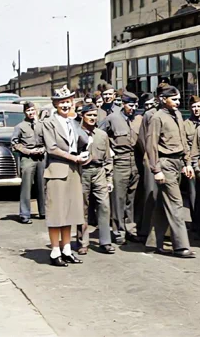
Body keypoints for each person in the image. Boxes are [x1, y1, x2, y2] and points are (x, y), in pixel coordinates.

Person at [145, 85, 196, 258]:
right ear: (162, 99)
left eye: (178, 99)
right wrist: (156, 169)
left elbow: (183, 139)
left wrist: (187, 162)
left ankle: (154, 241)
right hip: (165, 163)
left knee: (162, 203)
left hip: (178, 161)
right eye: (173, 99)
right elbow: (151, 145)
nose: (177, 102)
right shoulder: (157, 118)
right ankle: (181, 246)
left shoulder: (178, 114)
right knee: (175, 203)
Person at [40, 86, 86, 267]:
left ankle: (67, 250)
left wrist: (78, 122)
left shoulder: (73, 122)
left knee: (70, 212)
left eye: (68, 102)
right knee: (56, 213)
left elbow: (83, 140)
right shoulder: (49, 123)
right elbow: (51, 148)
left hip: (74, 171)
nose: (66, 105)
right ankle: (54, 251)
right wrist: (74, 157)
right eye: (62, 102)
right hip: (57, 170)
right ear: (55, 104)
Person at [99, 91, 141, 245]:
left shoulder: (138, 119)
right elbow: (98, 135)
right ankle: (118, 232)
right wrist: (107, 151)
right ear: (123, 104)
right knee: (119, 199)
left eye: (136, 105)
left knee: (132, 198)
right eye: (130, 105)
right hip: (119, 162)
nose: (133, 108)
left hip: (135, 162)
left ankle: (130, 229)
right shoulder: (112, 118)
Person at [76, 103, 114, 254]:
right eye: (89, 115)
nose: (92, 118)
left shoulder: (102, 135)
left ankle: (105, 242)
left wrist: (109, 178)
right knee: (82, 208)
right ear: (82, 116)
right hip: (82, 172)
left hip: (99, 172)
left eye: (94, 115)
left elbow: (108, 158)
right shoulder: (76, 133)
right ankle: (82, 243)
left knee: (104, 206)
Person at [136, 85, 164, 243]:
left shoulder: (175, 114)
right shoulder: (150, 115)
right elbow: (142, 139)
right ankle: (145, 230)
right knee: (150, 195)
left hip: (167, 160)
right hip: (152, 158)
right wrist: (149, 156)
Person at [11, 102, 46, 224]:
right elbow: (15, 144)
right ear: (24, 112)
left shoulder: (41, 125)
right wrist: (28, 151)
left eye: (32, 110)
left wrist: (43, 149)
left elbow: (48, 140)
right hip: (28, 158)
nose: (31, 112)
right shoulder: (20, 127)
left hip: (41, 157)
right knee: (26, 187)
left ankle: (43, 211)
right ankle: (25, 214)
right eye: (28, 110)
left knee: (42, 184)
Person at [183, 96, 200, 238]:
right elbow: (185, 145)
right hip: (191, 162)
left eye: (198, 106)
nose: (196, 109)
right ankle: (196, 227)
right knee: (193, 195)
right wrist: (187, 164)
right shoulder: (186, 124)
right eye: (193, 107)